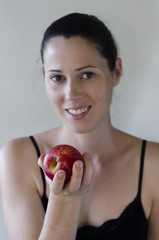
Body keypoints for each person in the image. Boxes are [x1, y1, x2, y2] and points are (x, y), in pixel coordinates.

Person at [0, 12, 159, 240]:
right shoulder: (18, 157)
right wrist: (65, 200)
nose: (71, 94)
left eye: (87, 75)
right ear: (45, 76)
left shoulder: (154, 165)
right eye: (57, 78)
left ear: (116, 71)